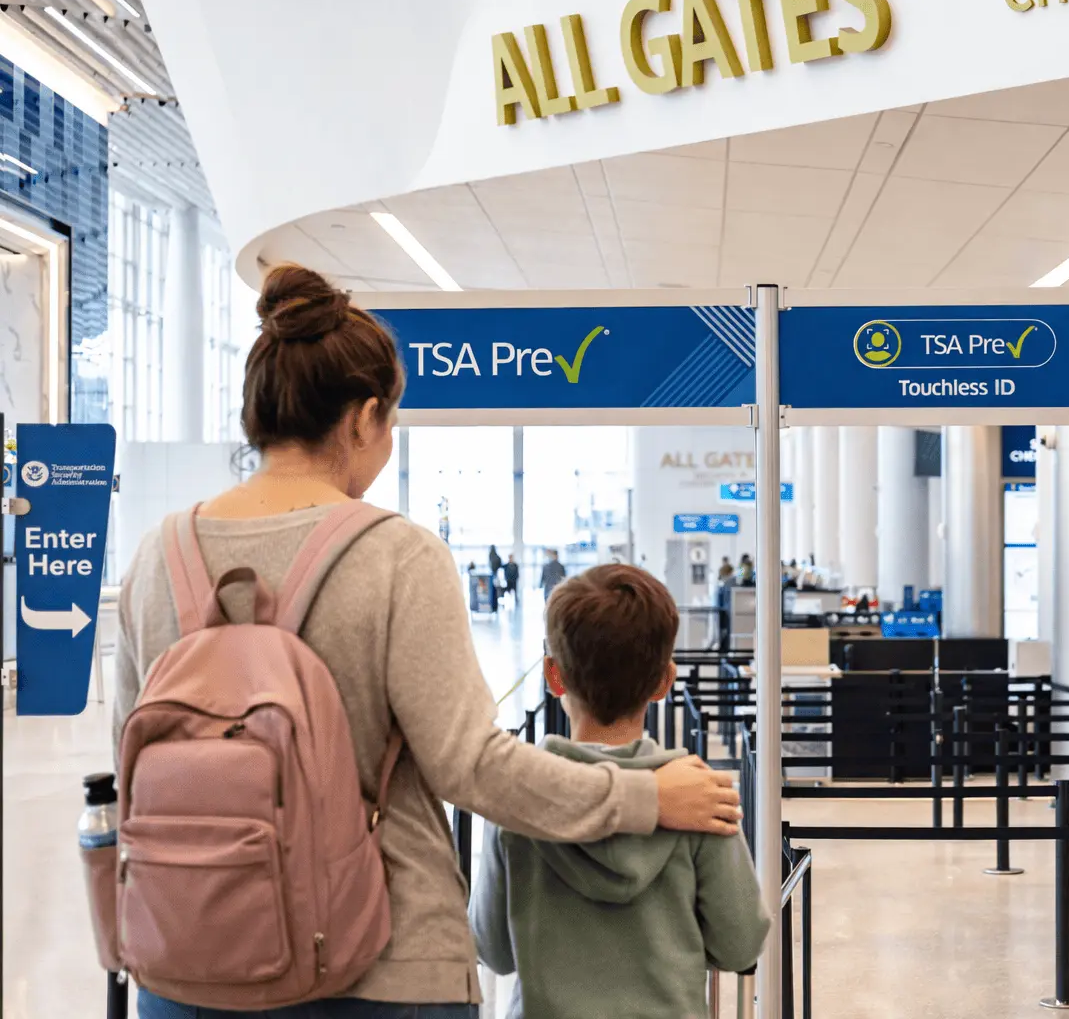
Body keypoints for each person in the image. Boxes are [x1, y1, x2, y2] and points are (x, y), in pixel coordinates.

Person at [114, 265, 741, 1019]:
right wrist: (644, 795)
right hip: (377, 964)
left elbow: (132, 755)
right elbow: (472, 767)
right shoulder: (394, 554)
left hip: (188, 952)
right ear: (364, 417)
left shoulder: (158, 555)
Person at [470, 565, 769, 1019]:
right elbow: (741, 942)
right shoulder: (699, 795)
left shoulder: (518, 796)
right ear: (664, 682)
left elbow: (492, 950)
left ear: (554, 676)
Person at [488, 545, 504, 611]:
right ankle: (494, 605)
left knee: (495, 591)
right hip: (494, 576)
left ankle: (494, 605)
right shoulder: (496, 557)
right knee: (495, 591)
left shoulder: (492, 557)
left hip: (494, 576)